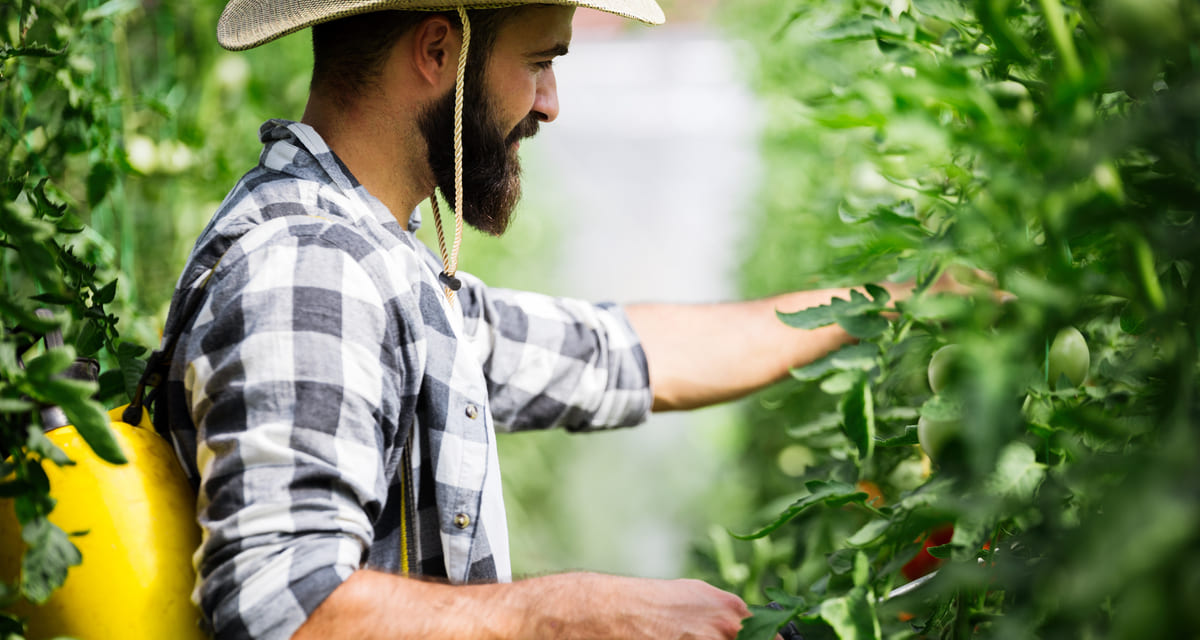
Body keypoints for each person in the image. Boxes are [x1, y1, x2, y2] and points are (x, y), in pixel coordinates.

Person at [155, 1, 936, 638]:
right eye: (539, 62)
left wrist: (892, 303)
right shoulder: (314, 266)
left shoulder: (375, 261)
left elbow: (618, 355)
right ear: (438, 51)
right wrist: (565, 615)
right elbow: (282, 609)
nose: (551, 103)